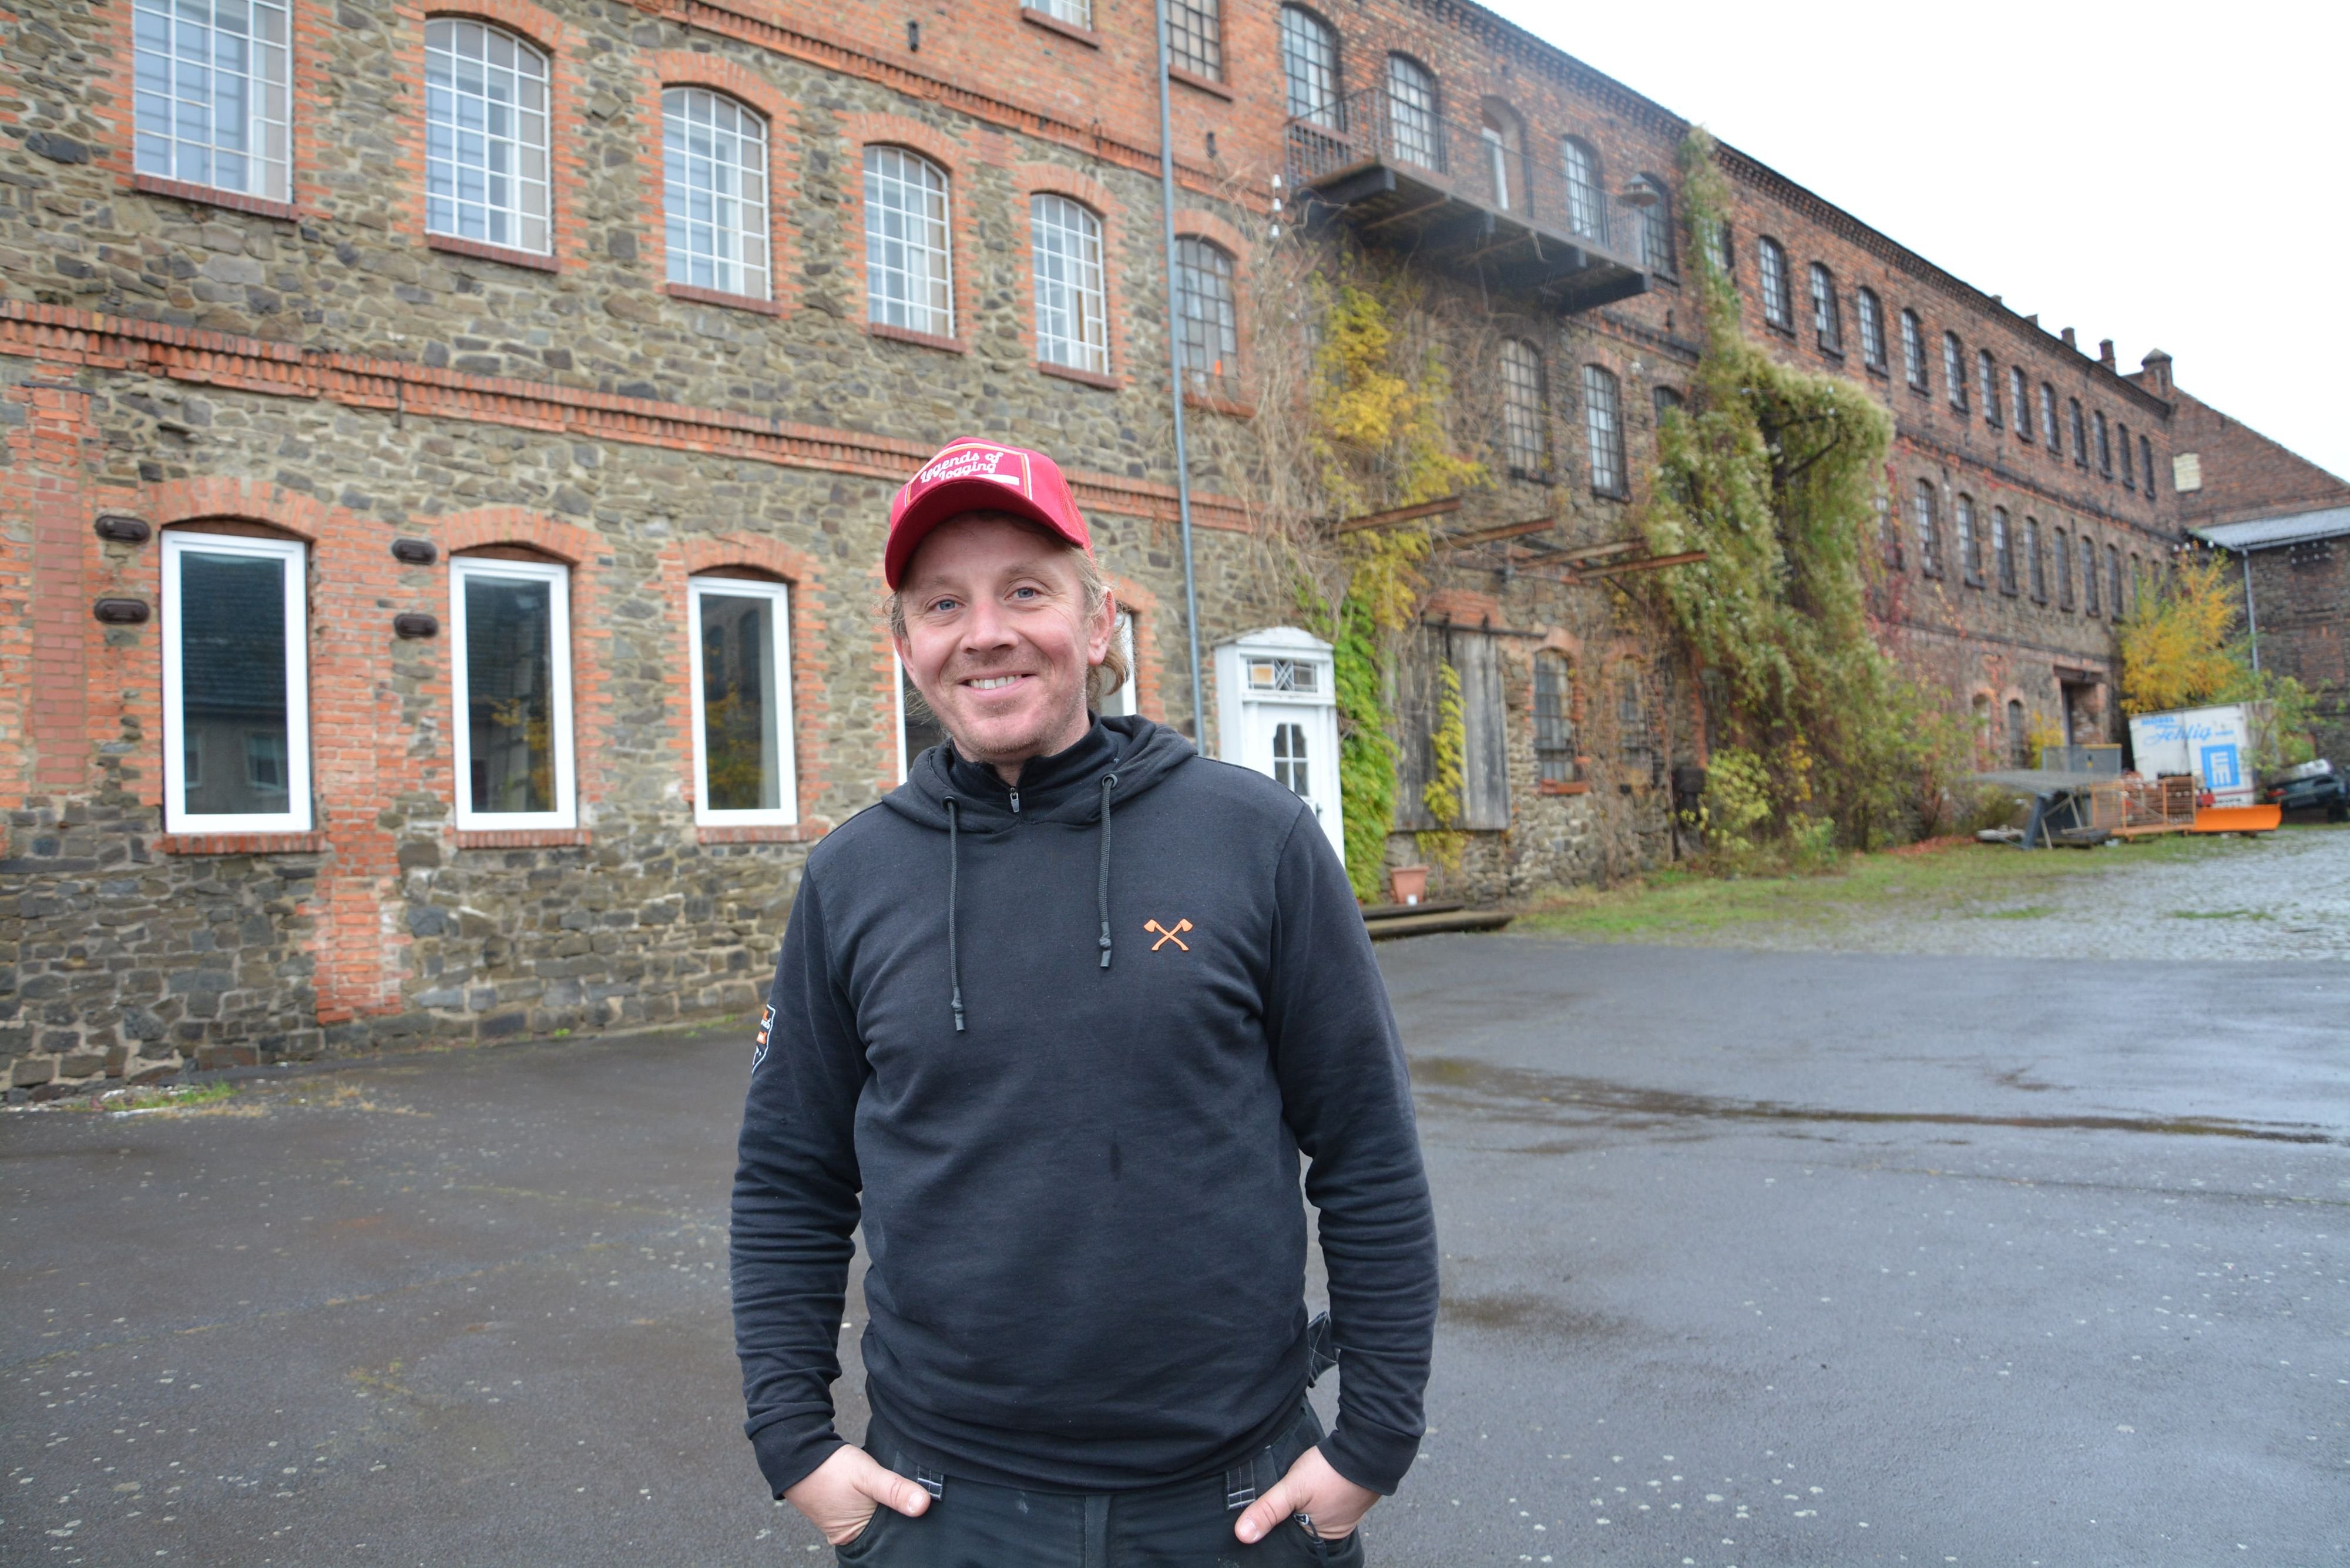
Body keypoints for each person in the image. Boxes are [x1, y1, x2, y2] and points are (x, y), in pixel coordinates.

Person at [731, 437, 1439, 1565]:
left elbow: (1368, 1148)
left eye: (1026, 591)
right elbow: (789, 1176)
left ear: (1099, 622)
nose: (985, 631)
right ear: (906, 644)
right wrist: (796, 1445)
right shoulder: (853, 877)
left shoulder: (1253, 840)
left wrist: (1372, 1442)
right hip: (941, 1506)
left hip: (1233, 1500)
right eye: (943, 603)